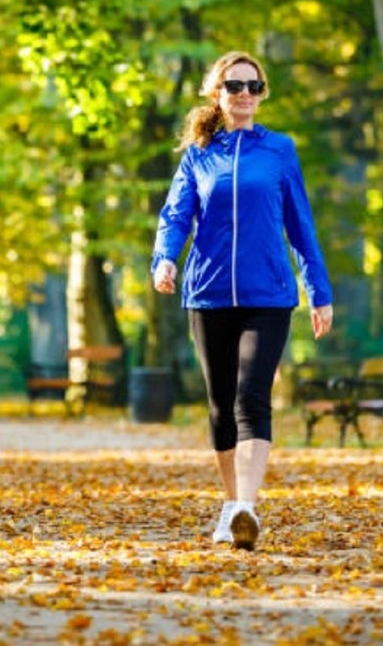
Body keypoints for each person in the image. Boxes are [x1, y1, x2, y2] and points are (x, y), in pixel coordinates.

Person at [151, 50, 334, 551]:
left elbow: (300, 225)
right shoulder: (198, 155)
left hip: (269, 294)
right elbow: (175, 216)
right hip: (207, 295)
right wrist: (165, 259)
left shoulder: (279, 150)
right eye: (235, 86)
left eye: (255, 87)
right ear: (218, 93)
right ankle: (231, 505)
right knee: (221, 407)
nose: (246, 95)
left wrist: (318, 290)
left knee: (252, 397)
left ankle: (248, 507)